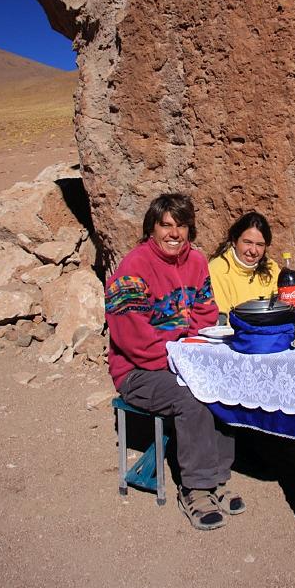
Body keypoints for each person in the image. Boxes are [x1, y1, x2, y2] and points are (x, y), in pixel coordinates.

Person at [105, 193, 245, 531]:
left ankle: (216, 478)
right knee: (191, 395)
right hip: (138, 371)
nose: (174, 233)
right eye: (166, 225)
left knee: (224, 382)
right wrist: (180, 363)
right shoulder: (132, 268)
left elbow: (206, 314)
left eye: (181, 225)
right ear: (151, 229)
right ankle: (195, 489)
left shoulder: (196, 263)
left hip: (183, 358)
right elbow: (132, 338)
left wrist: (192, 354)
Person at [209, 211, 295, 321]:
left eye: (260, 245)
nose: (253, 250)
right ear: (235, 241)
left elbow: (289, 297)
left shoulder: (270, 267)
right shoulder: (217, 270)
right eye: (248, 242)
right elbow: (221, 320)